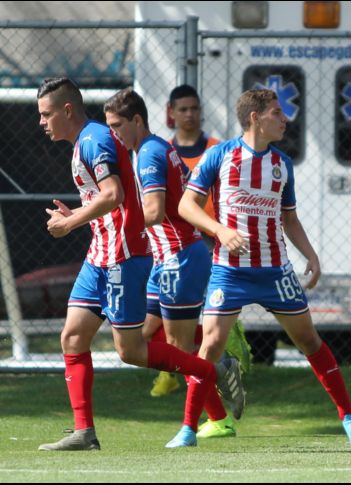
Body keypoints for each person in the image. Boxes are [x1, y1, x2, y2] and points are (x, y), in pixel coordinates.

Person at [36, 78, 241, 451]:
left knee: (131, 350)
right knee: (72, 337)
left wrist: (71, 221)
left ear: (68, 110)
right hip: (99, 254)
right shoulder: (88, 141)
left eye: (46, 114)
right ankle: (85, 432)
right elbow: (109, 198)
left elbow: (114, 194)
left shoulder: (96, 139)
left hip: (122, 257)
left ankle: (213, 369)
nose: (41, 122)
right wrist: (81, 213)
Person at [176, 88, 351, 448]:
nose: (285, 119)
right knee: (211, 345)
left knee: (309, 341)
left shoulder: (281, 164)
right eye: (277, 113)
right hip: (229, 270)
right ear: (255, 117)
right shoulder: (220, 155)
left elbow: (289, 219)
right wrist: (219, 229)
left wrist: (311, 255)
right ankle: (189, 428)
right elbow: (187, 205)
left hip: (275, 271)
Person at [103, 87, 242, 443]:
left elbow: (154, 211)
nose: (113, 133)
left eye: (118, 125)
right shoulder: (150, 148)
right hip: (167, 259)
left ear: (137, 120)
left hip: (180, 258)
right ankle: (219, 361)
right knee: (145, 334)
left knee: (180, 353)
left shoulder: (148, 154)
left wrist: (111, 222)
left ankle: (212, 419)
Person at [146, 84, 251, 398]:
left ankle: (224, 354)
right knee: (162, 317)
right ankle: (176, 369)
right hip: (175, 243)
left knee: (211, 313)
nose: (190, 114)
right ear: (171, 113)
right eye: (183, 109)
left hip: (210, 240)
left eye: (195, 108)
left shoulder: (218, 149)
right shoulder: (162, 151)